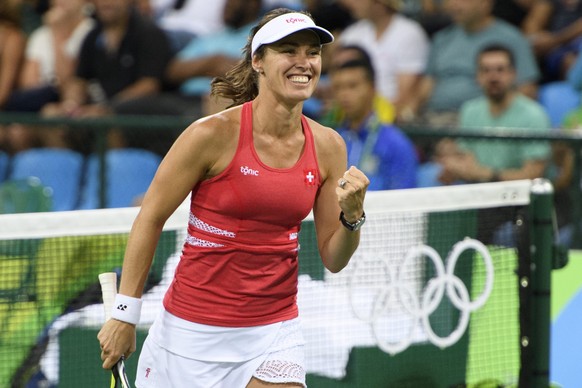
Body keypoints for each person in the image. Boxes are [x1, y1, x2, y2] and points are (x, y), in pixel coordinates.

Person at [97, 8, 369, 388]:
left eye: (312, 52)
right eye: (289, 51)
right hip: (190, 334)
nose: (304, 63)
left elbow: (334, 259)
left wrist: (352, 218)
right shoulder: (210, 135)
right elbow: (151, 217)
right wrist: (125, 315)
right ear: (258, 61)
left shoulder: (328, 146)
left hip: (273, 331)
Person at [403, 0, 540, 127]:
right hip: (433, 118)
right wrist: (408, 114)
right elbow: (426, 86)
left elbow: (527, 89)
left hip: (482, 121)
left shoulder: (512, 38)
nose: (454, 5)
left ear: (485, 4)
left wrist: (499, 117)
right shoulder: (442, 39)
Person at [327, 46, 417, 190]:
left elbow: (403, 201)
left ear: (372, 87)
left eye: (352, 86)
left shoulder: (396, 144)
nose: (344, 94)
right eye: (338, 87)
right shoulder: (333, 140)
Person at [163, 0, 264, 118]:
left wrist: (197, 68)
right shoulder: (211, 36)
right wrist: (213, 63)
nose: (226, 7)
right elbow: (172, 71)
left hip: (228, 102)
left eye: (232, 3)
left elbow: (250, 75)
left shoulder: (259, 38)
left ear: (252, 4)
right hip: (183, 97)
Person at [338, 0, 429, 115]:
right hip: (351, 115)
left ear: (379, 4)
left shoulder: (410, 33)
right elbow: (340, 80)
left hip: (392, 118)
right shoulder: (350, 35)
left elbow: (405, 96)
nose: (352, 3)